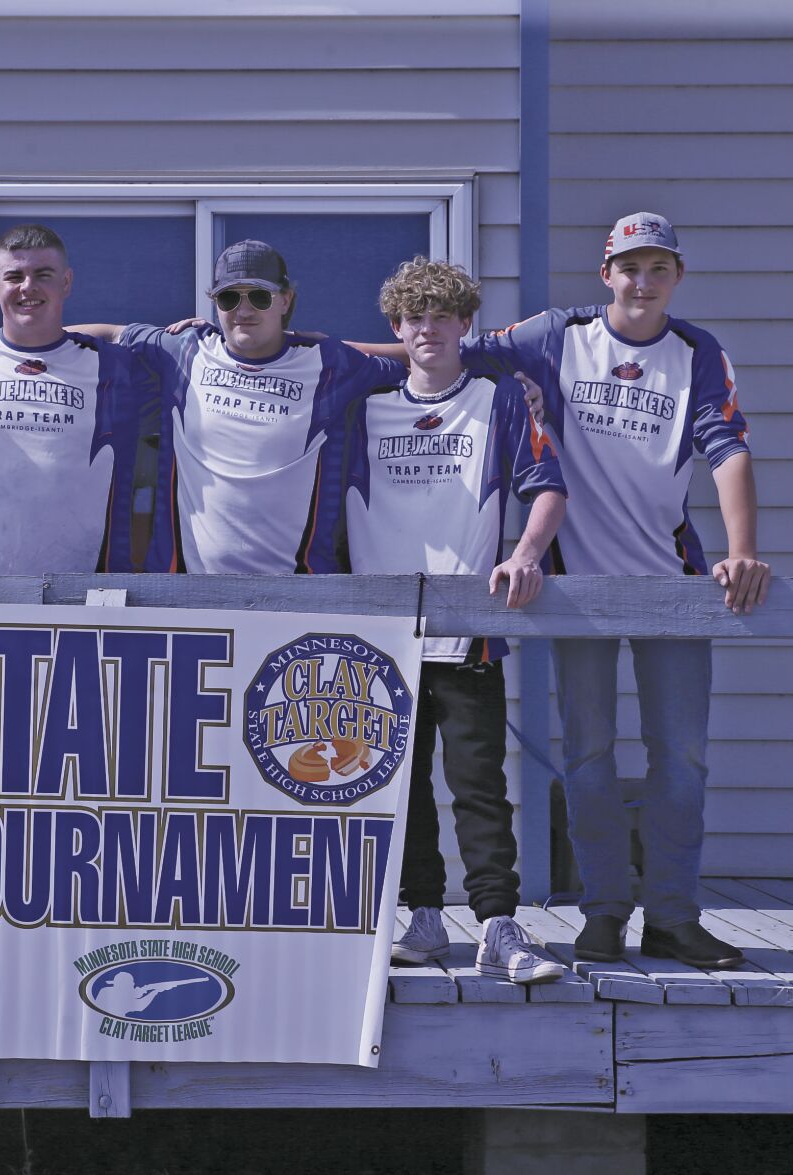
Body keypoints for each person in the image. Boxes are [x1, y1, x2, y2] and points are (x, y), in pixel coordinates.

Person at [464, 213, 770, 969]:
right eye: (628, 266)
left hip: (671, 584)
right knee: (588, 754)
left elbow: (726, 449)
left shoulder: (698, 353)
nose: (641, 280)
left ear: (676, 275)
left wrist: (742, 553)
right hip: (577, 586)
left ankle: (670, 916)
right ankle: (602, 911)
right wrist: (294, 354)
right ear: (605, 273)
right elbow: (438, 351)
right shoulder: (556, 334)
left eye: (657, 267)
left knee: (681, 758)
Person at [326, 257, 568, 983]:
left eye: (441, 316)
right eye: (412, 318)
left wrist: (526, 554)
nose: (426, 329)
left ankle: (498, 924)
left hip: (469, 630)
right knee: (397, 785)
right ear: (395, 329)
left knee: (477, 783)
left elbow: (547, 487)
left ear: (466, 325)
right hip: (382, 633)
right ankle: (422, 917)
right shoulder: (361, 405)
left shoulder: (496, 401)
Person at [75, 239, 406, 574]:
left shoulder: (327, 362)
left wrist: (340, 344)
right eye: (229, 297)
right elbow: (108, 333)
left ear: (285, 300)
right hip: (190, 592)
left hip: (296, 596)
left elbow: (422, 360)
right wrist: (22, 347)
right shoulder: (184, 350)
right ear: (214, 303)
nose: (243, 311)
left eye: (259, 297)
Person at [0, 223, 153, 574]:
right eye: (15, 276)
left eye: (43, 274)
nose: (29, 287)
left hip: (89, 601)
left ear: (66, 283)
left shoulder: (114, 368)